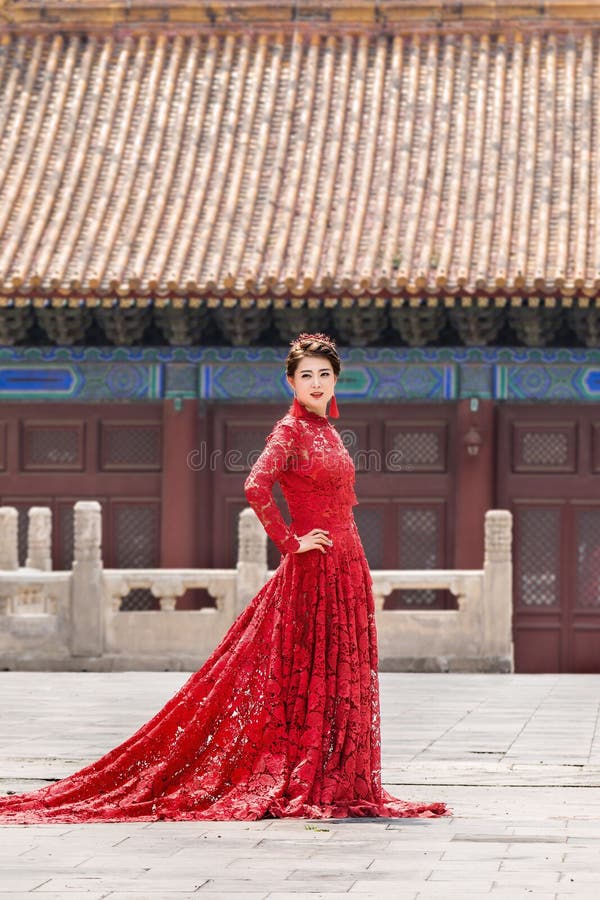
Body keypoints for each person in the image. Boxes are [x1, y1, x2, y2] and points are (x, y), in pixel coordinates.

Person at [0, 333, 447, 822]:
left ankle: (333, 774)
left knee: (339, 671)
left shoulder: (328, 430)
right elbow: (256, 485)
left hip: (345, 566)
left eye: (324, 374)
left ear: (336, 378)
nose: (316, 384)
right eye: (306, 376)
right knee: (304, 672)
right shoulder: (290, 431)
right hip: (313, 566)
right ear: (291, 382)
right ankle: (304, 772)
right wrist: (291, 542)